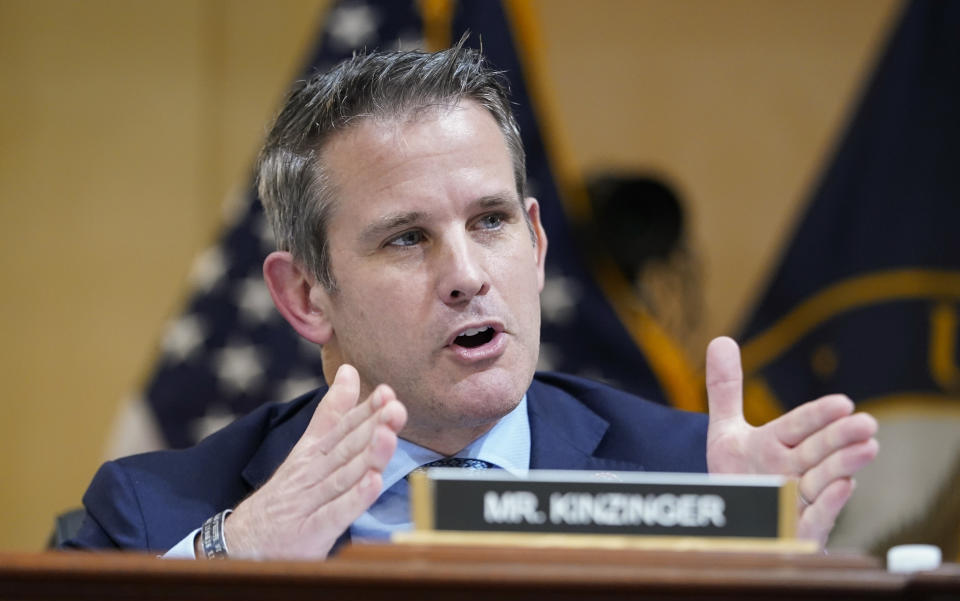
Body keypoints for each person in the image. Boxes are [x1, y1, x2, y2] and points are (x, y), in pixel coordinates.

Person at [63, 43, 878, 559]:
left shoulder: (697, 478)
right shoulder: (151, 514)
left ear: (537, 240)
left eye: (490, 222)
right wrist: (232, 562)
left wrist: (766, 592)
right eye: (407, 238)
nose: (467, 274)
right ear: (307, 296)